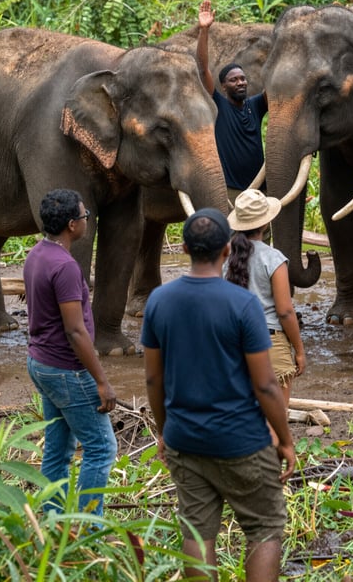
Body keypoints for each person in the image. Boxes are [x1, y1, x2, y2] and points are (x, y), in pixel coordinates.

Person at [141, 207, 294, 581]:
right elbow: (265, 384)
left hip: (185, 439)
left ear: (182, 247)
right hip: (241, 441)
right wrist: (286, 440)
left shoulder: (159, 300)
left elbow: (152, 380)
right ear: (227, 249)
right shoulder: (243, 305)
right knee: (264, 526)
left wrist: (164, 431)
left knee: (197, 530)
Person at [24, 189, 117, 518]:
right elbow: (74, 330)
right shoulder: (65, 267)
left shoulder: (37, 254)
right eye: (84, 216)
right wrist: (102, 381)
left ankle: (53, 521)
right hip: (66, 370)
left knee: (58, 449)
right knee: (102, 448)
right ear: (71, 225)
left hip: (41, 362)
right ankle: (90, 528)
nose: (87, 221)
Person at [226, 189, 306, 419]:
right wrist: (299, 350)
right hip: (270, 344)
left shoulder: (223, 259)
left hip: (233, 345)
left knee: (240, 419)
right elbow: (285, 311)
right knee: (276, 422)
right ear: (266, 222)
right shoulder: (274, 259)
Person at [196, 0, 268, 205]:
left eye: (243, 78)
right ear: (224, 86)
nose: (240, 83)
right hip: (231, 190)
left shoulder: (255, 105)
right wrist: (204, 31)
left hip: (259, 188)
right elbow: (202, 69)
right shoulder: (218, 105)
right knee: (232, 236)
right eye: (234, 80)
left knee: (261, 236)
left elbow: (273, 87)